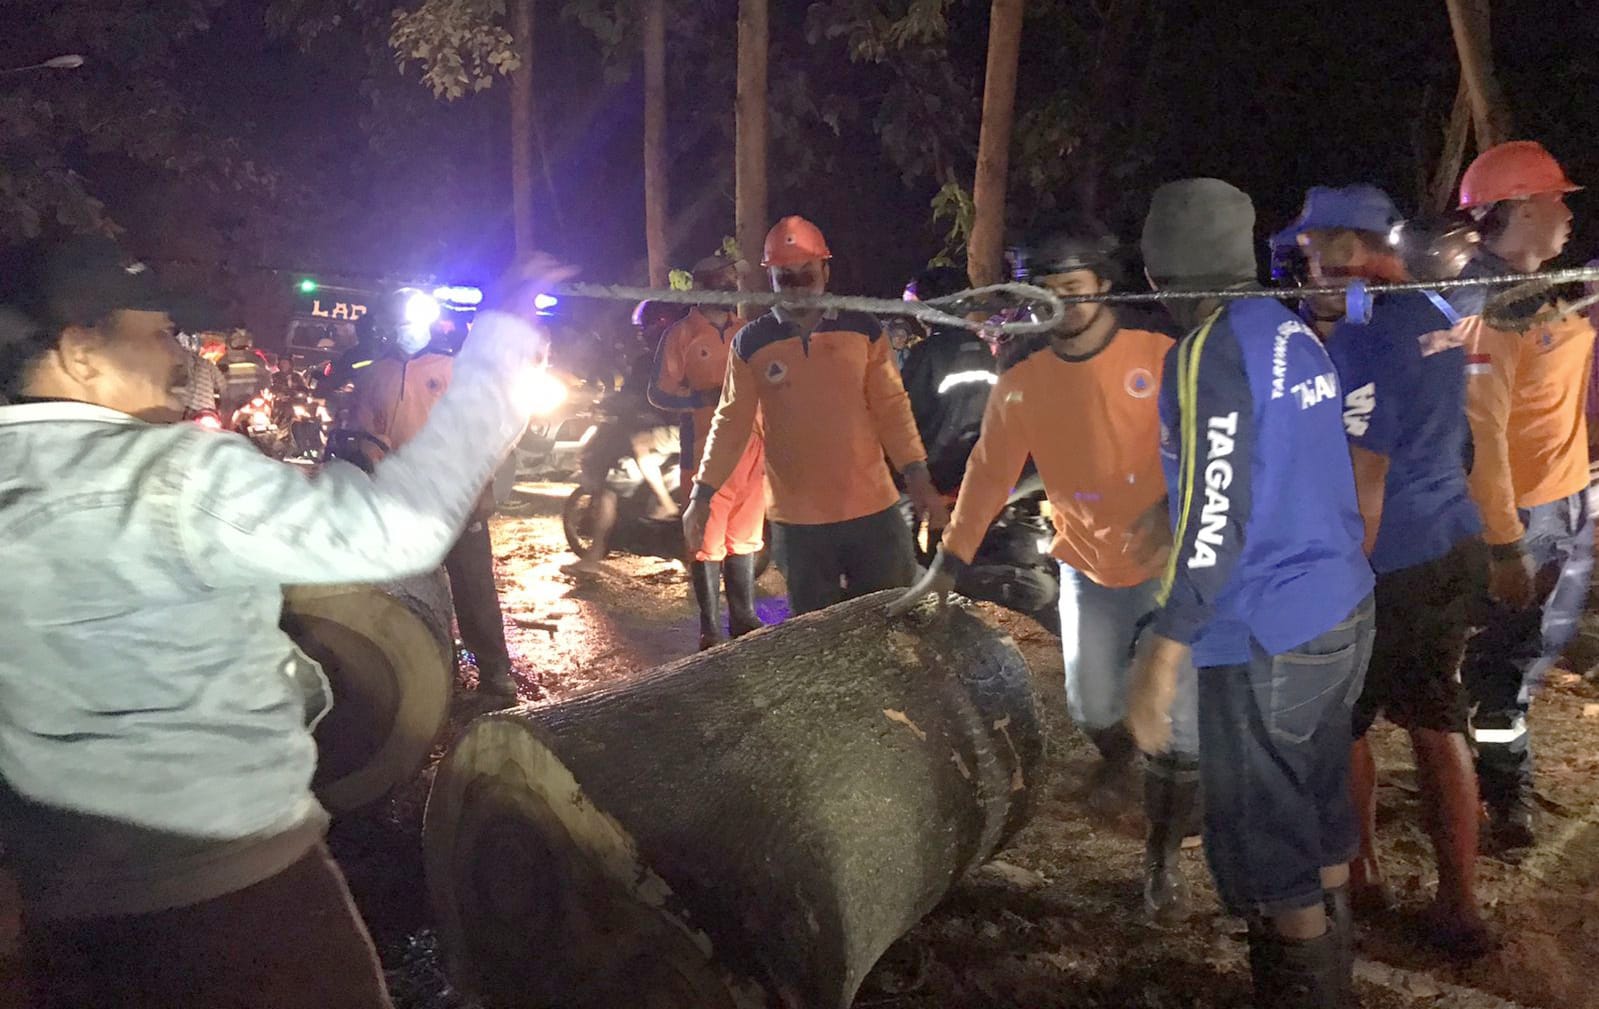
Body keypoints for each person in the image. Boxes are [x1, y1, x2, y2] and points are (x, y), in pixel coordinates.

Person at [0, 238, 565, 1009]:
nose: (181, 352)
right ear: (81, 351)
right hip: (239, 896)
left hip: (63, 914)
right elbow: (397, 526)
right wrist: (501, 336)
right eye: (159, 331)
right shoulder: (171, 475)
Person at [890, 230, 1199, 922]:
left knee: (1175, 722)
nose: (1061, 304)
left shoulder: (1159, 355)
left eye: (1074, 287)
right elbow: (988, 472)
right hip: (1085, 565)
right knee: (1093, 705)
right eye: (1045, 293)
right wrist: (947, 562)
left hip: (1170, 565)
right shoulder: (1023, 381)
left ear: (1101, 283)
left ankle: (1161, 862)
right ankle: (1135, 764)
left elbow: (1213, 442)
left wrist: (1175, 506)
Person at [1125, 179, 1375, 1007]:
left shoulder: (1204, 352)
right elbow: (1268, 463)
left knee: (1275, 866)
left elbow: (1215, 513)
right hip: (1338, 608)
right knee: (1318, 817)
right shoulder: (1288, 331)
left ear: (1162, 275)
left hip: (1266, 632)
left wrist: (1163, 649)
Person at [1280, 185, 1493, 956]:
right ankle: (1459, 903)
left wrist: (1340, 577)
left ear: (1346, 247)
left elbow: (1363, 472)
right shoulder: (1432, 312)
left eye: (1310, 252)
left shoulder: (1365, 340)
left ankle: (1361, 877)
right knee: (1438, 719)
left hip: (1386, 556)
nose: (1305, 268)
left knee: (1344, 722)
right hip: (1446, 535)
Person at [1446, 141, 1594, 852]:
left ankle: (1490, 771)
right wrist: (1503, 541)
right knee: (1500, 659)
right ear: (1524, 206)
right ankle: (1501, 795)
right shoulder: (1489, 307)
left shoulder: (1534, 289)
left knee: (1517, 648)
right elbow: (1479, 437)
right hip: (1522, 515)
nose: (1568, 210)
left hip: (1558, 501)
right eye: (1557, 198)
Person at [684, 216, 948, 615]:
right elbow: (731, 423)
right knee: (817, 636)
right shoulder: (752, 343)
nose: (796, 287)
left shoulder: (862, 329)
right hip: (799, 522)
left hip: (872, 511)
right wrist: (702, 493)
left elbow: (892, 408)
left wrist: (918, 476)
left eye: (805, 275)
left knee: (895, 620)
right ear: (770, 279)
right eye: (783, 278)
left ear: (825, 270)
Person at [345, 288, 521, 698]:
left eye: (409, 322)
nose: (403, 331)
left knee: (474, 588)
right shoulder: (378, 375)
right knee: (412, 593)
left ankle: (496, 675)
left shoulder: (452, 369)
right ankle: (429, 672)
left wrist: (484, 488)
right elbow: (370, 434)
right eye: (396, 323)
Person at [648, 254, 766, 649]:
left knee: (745, 536)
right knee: (705, 538)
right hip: (702, 450)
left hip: (750, 449)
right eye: (724, 280)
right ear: (704, 286)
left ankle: (744, 615)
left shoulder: (747, 330)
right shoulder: (681, 334)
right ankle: (710, 626)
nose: (732, 287)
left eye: (734, 279)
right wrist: (701, 398)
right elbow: (659, 392)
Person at [561, 302, 682, 576]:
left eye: (645, 328)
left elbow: (638, 395)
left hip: (677, 430)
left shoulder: (655, 359)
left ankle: (594, 557)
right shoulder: (674, 352)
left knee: (614, 481)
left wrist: (612, 405)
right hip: (684, 427)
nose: (642, 333)